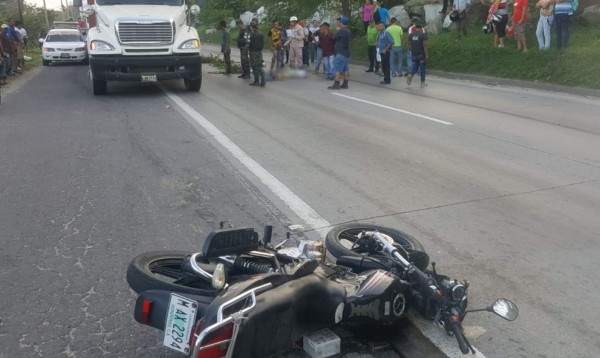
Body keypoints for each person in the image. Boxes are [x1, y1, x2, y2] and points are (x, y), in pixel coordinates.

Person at [328, 17, 351, 90]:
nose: (337, 23)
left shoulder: (341, 31)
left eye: (338, 22)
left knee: (337, 68)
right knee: (345, 69)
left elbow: (333, 37)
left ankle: (336, 84)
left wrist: (336, 31)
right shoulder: (348, 31)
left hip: (340, 52)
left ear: (341, 23)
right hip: (346, 52)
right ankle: (345, 83)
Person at [406, 22, 429, 88]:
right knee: (422, 68)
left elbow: (409, 43)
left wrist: (410, 50)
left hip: (414, 54)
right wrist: (426, 54)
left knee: (415, 66)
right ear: (421, 28)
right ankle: (422, 83)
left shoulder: (411, 35)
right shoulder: (423, 35)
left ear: (416, 28)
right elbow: (425, 45)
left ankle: (410, 75)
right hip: (421, 54)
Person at [248, 21, 265, 87]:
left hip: (253, 52)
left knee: (254, 66)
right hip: (259, 52)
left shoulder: (250, 34)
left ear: (251, 26)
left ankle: (256, 81)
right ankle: (263, 80)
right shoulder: (260, 33)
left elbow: (247, 42)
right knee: (260, 66)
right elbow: (262, 42)